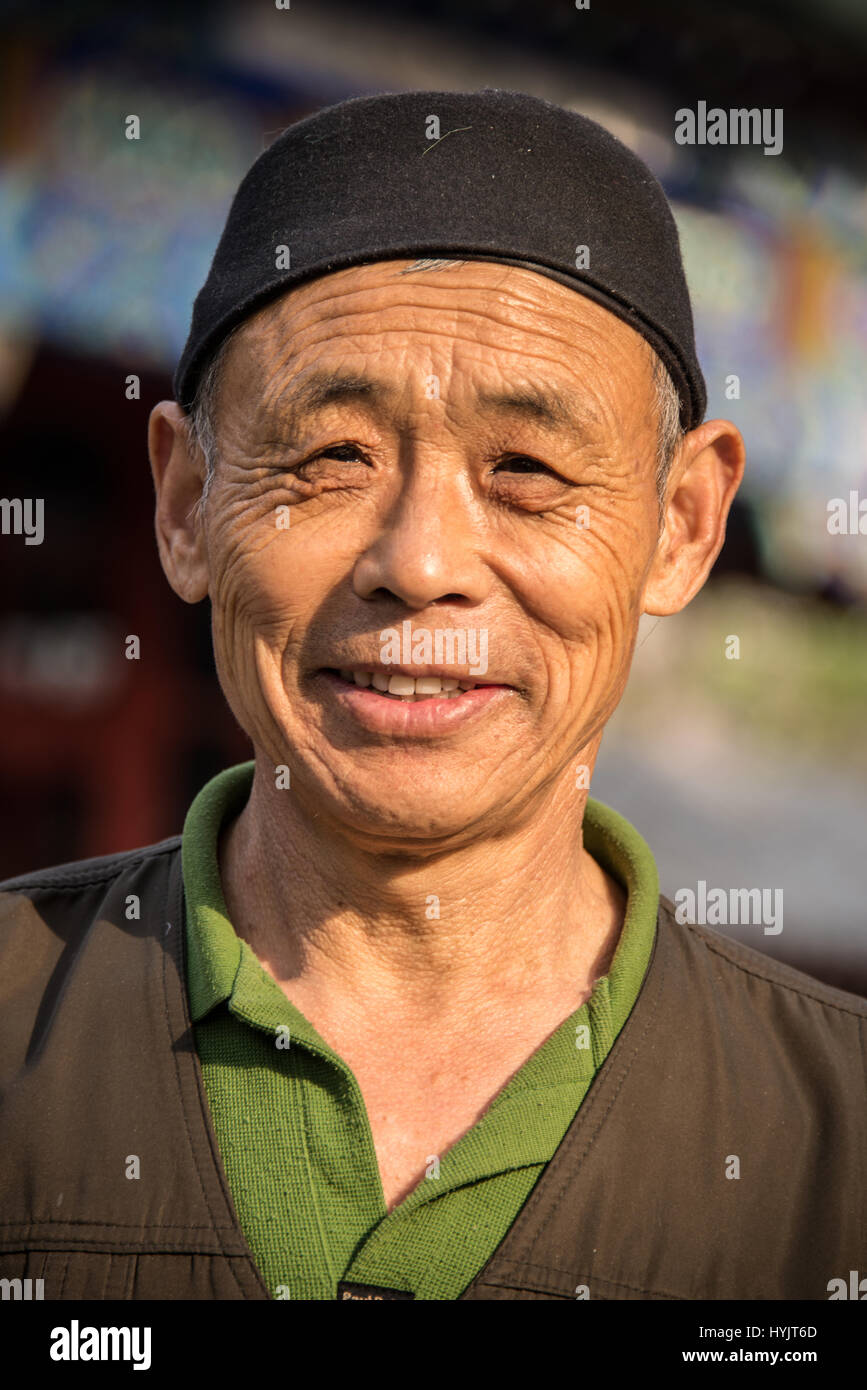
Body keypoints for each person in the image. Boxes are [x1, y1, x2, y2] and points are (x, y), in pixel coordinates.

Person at [1, 89, 863, 1302]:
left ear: (682, 524)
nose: (420, 563)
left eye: (527, 470)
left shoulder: (840, 1138)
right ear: (188, 505)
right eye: (330, 455)